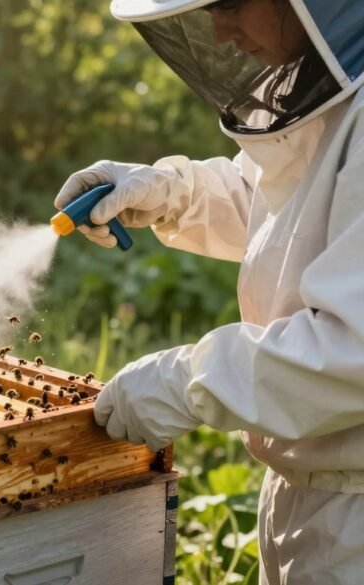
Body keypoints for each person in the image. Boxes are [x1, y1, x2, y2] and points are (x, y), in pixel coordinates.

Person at [53, 1, 364, 583]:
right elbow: (292, 207)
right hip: (315, 495)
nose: (219, 29)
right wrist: (171, 191)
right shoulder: (334, 93)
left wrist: (187, 383)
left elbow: (354, 352)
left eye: (231, 2)